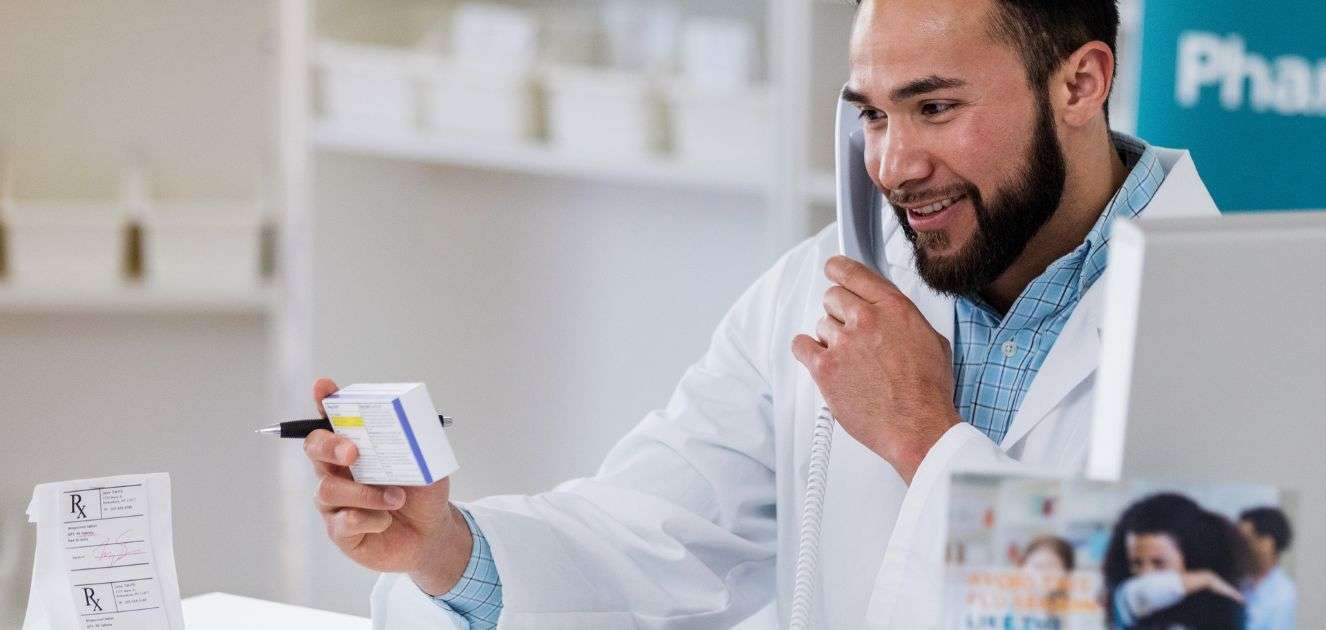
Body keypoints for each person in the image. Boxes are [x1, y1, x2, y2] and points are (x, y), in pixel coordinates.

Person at [299, 0, 1218, 626]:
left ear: (1080, 84)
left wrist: (922, 442)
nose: (892, 166)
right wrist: (448, 550)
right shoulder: (820, 284)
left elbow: (1203, 603)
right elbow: (656, 537)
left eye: (934, 108)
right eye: (871, 116)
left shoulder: (1247, 315)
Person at [1102, 494, 1249, 630]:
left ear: (1192, 557)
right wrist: (1205, 579)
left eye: (1159, 563)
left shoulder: (1222, 609)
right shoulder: (1125, 599)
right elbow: (1140, 592)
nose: (1146, 574)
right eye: (1136, 563)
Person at [1237, 507, 1296, 630]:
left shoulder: (1286, 597)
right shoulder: (1238, 585)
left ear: (1267, 543)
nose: (1237, 548)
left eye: (1244, 541)